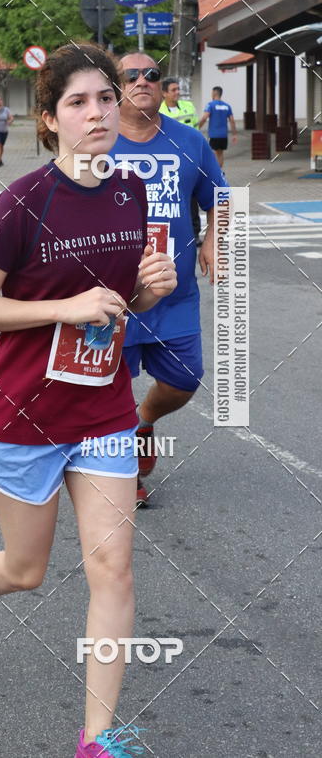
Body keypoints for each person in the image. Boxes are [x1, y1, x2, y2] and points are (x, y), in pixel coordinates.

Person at [0, 43, 177, 758]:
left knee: (114, 569)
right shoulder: (23, 202)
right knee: (26, 570)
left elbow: (113, 305)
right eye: (78, 102)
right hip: (24, 415)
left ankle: (98, 739)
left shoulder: (131, 191)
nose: (97, 111)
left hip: (103, 411)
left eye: (106, 97)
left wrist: (144, 294)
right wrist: (63, 307)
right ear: (49, 120)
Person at [109, 52, 227, 507]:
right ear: (116, 87)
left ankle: (145, 417)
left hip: (174, 293)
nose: (143, 81)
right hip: (114, 296)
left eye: (152, 75)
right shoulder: (97, 141)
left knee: (186, 379)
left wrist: (213, 239)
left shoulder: (190, 142)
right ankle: (125, 475)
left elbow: (219, 196)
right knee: (109, 390)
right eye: (131, 75)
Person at [160, 77, 201, 243]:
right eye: (174, 90)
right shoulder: (159, 112)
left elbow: (197, 133)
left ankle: (195, 233)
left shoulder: (188, 107)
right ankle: (173, 232)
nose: (177, 92)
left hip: (190, 160)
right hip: (169, 162)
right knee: (171, 198)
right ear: (164, 93)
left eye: (178, 89)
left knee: (192, 199)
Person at [198, 85, 237, 167]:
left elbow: (205, 117)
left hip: (213, 135)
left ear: (214, 93)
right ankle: (219, 172)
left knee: (212, 153)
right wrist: (234, 134)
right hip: (223, 135)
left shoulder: (210, 105)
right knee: (220, 153)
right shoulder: (227, 106)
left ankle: (214, 173)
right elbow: (232, 121)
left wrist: (197, 127)